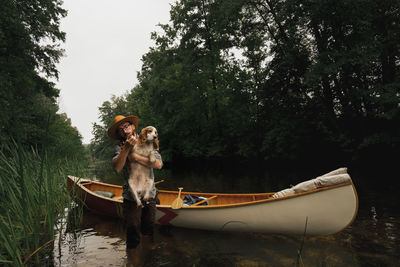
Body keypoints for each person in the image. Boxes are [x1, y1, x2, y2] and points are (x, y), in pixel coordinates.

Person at [108, 115, 162, 249]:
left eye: (126, 126)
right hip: (131, 197)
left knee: (149, 226)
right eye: (121, 130)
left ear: (133, 126)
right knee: (132, 230)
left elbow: (159, 164)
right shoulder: (120, 147)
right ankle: (132, 258)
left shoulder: (147, 139)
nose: (125, 131)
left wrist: (135, 157)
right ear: (119, 134)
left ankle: (147, 251)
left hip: (149, 194)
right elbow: (117, 168)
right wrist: (126, 149)